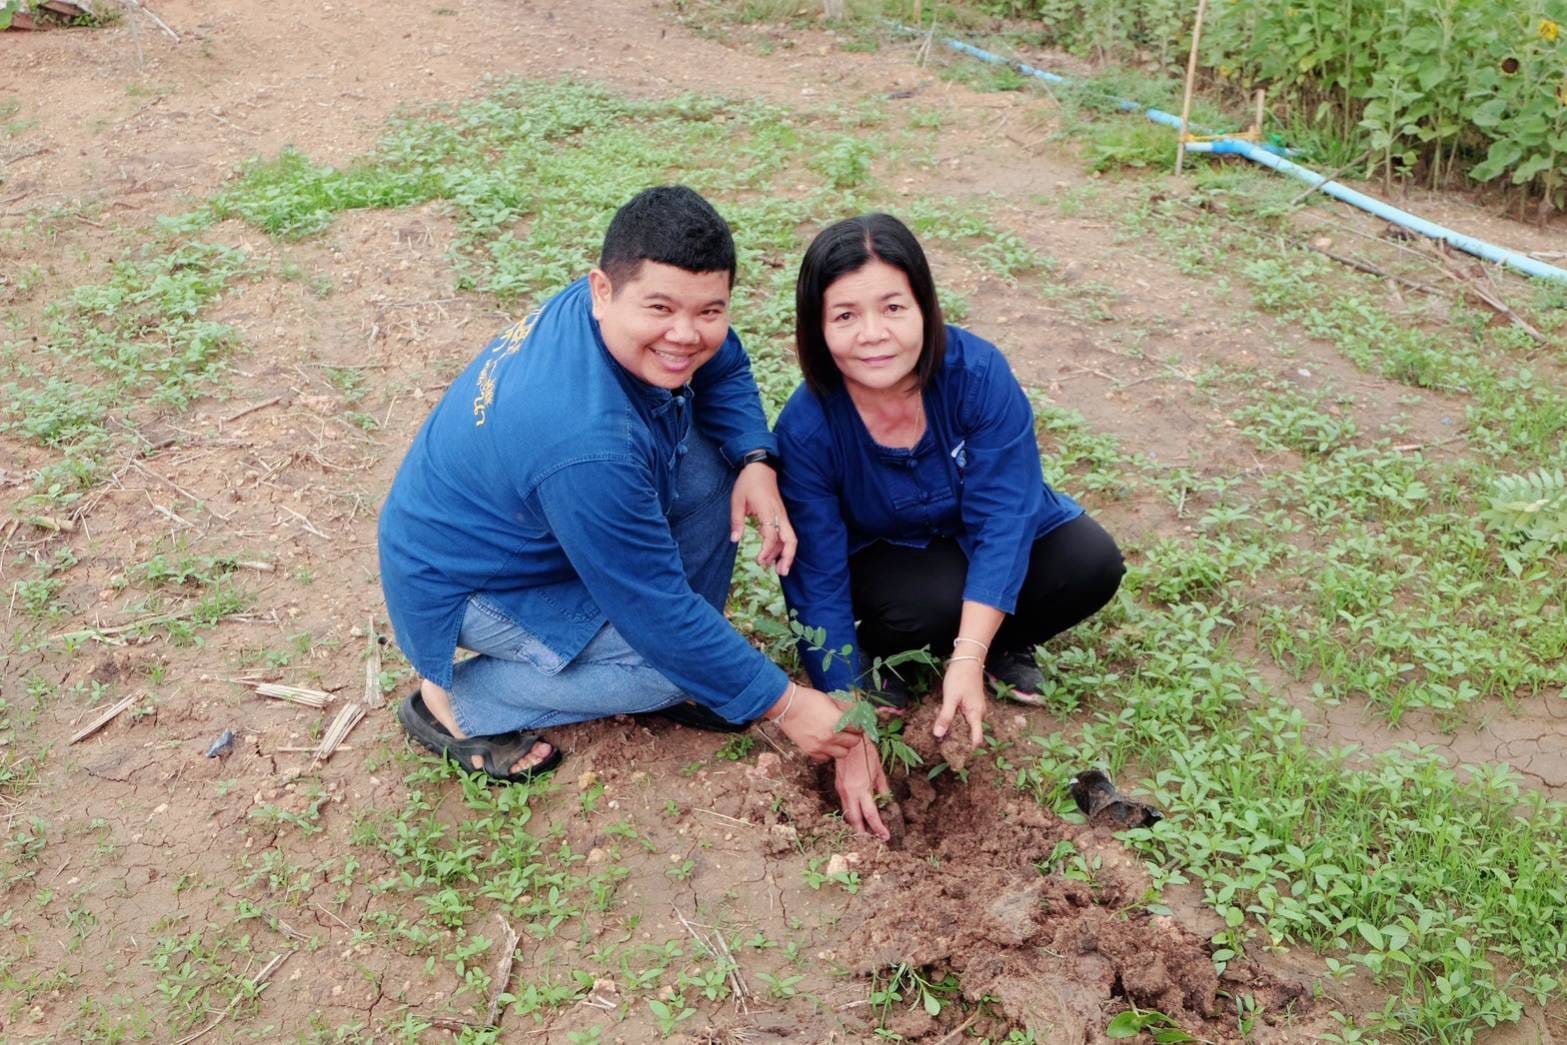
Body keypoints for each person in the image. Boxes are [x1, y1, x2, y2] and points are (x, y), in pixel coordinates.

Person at [378, 187, 891, 839]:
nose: (685, 333)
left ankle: (700, 671)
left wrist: (756, 457)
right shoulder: (586, 441)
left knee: (712, 472)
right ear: (602, 289)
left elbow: (723, 360)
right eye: (662, 309)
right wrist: (786, 703)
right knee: (659, 664)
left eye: (709, 310)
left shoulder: (623, 309)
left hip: (535, 520)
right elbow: (653, 607)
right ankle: (455, 703)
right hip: (469, 582)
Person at [777, 213, 1124, 750]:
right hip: (893, 558)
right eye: (845, 315)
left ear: (924, 306)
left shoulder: (977, 375)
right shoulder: (807, 428)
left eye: (893, 308)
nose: (873, 334)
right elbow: (815, 576)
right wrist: (844, 701)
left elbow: (1005, 516)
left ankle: (997, 643)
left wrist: (968, 656)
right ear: (817, 328)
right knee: (929, 606)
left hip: (974, 533)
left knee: (1088, 562)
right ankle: (883, 655)